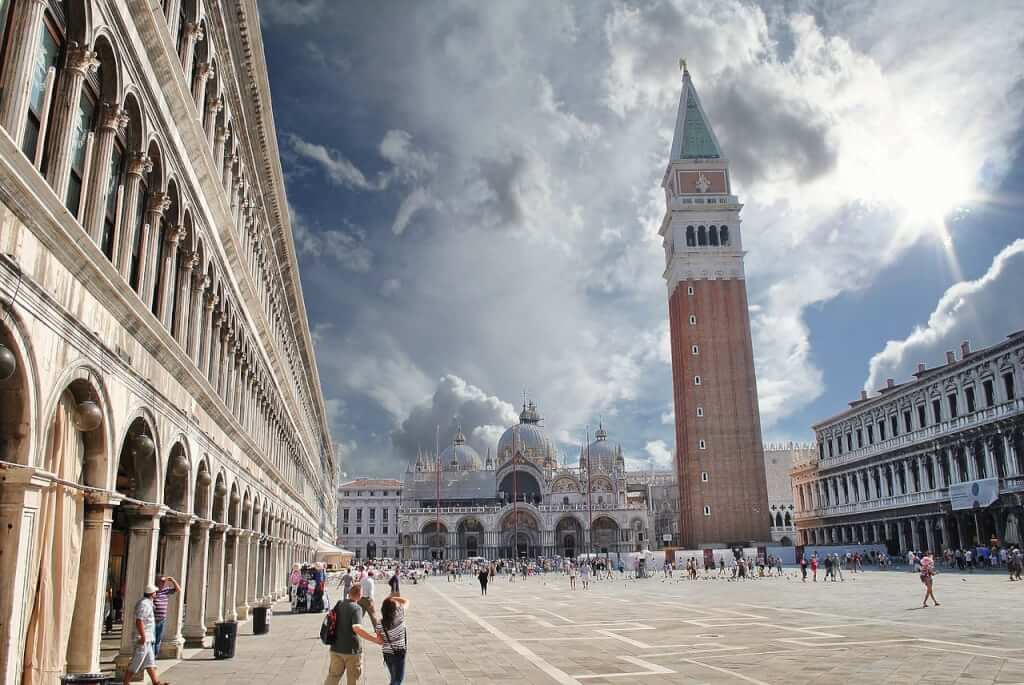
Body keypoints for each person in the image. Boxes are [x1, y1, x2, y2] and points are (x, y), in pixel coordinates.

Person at [324, 585, 383, 685]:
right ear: (359, 595)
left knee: (333, 678)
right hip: (351, 651)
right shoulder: (356, 608)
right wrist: (375, 640)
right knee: (353, 680)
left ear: (349, 593)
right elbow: (357, 628)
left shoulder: (339, 604)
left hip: (335, 648)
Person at [121, 584, 164, 685]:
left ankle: (156, 682)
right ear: (152, 594)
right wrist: (143, 636)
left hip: (148, 638)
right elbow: (139, 621)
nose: (156, 594)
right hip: (143, 639)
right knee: (136, 662)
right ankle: (126, 683)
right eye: (155, 592)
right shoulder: (144, 604)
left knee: (150, 662)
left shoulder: (147, 603)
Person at [380, 595, 410, 685]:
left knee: (394, 678)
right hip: (398, 653)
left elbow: (379, 640)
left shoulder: (380, 623)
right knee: (397, 681)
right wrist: (393, 597)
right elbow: (406, 601)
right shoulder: (400, 615)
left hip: (387, 654)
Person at [151, 575, 180, 658]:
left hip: (161, 619)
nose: (163, 584)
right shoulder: (154, 591)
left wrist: (172, 580)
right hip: (153, 619)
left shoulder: (166, 590)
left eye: (164, 582)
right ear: (157, 582)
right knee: (152, 639)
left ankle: (154, 656)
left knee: (158, 639)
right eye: (161, 582)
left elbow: (178, 589)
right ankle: (151, 656)